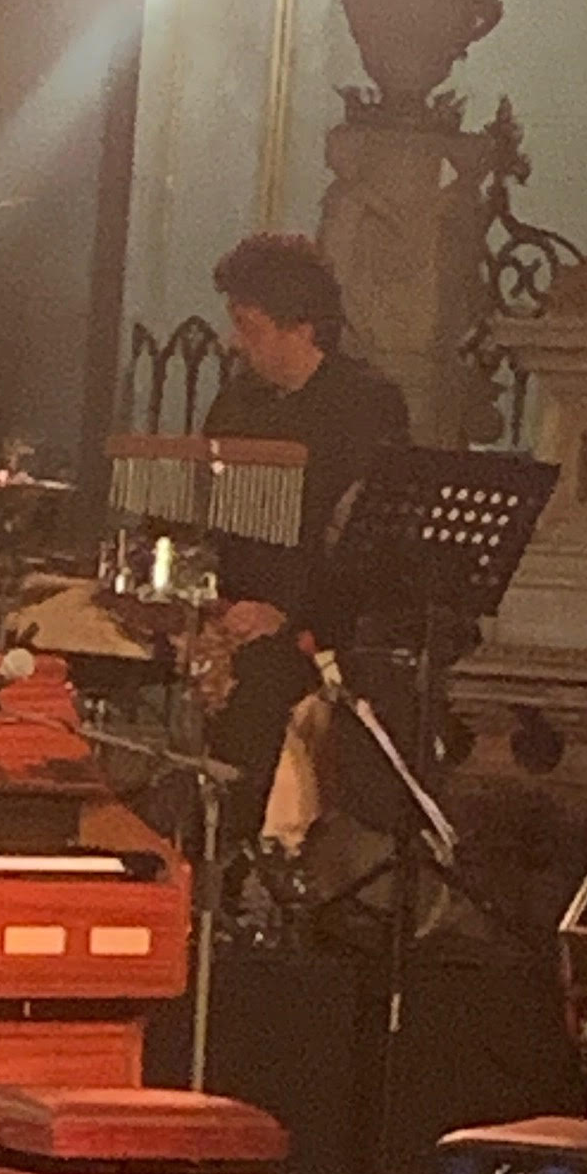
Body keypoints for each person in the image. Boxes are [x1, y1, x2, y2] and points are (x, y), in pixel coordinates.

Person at [195, 232, 412, 783]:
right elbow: (215, 517)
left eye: (249, 328)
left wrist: (286, 612)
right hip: (235, 615)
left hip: (324, 624)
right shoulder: (237, 400)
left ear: (301, 329)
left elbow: (364, 540)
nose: (234, 342)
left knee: (259, 710)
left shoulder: (365, 404)